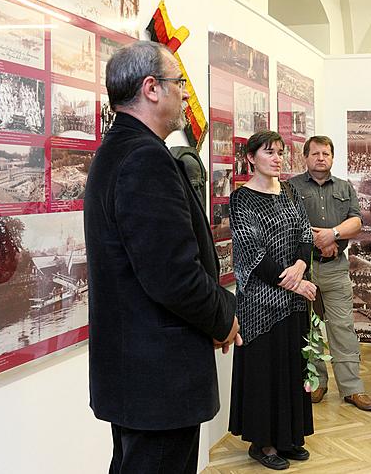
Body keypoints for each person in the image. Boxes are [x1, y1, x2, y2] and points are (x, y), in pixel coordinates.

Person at [84, 41, 240, 474]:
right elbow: (173, 276)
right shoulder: (144, 158)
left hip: (139, 375)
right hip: (157, 378)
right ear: (151, 88)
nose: (186, 95)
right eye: (179, 83)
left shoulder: (120, 149)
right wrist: (224, 317)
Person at [228, 130, 317, 471]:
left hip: (293, 300)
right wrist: (295, 283)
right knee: (265, 371)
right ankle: (262, 443)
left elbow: (305, 236)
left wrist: (300, 264)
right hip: (260, 303)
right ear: (251, 158)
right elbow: (252, 252)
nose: (278, 158)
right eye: (269, 152)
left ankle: (288, 437)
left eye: (280, 152)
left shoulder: (291, 190)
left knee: (292, 367)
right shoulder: (242, 199)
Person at [290, 135, 371, 411]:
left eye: (325, 154)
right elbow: (290, 226)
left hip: (336, 269)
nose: (320, 158)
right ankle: (317, 384)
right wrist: (317, 242)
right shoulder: (290, 187)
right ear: (306, 157)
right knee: (310, 327)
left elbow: (356, 222)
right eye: (315, 154)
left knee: (342, 328)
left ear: (332, 157)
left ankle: (352, 388)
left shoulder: (344, 187)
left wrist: (332, 234)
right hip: (304, 270)